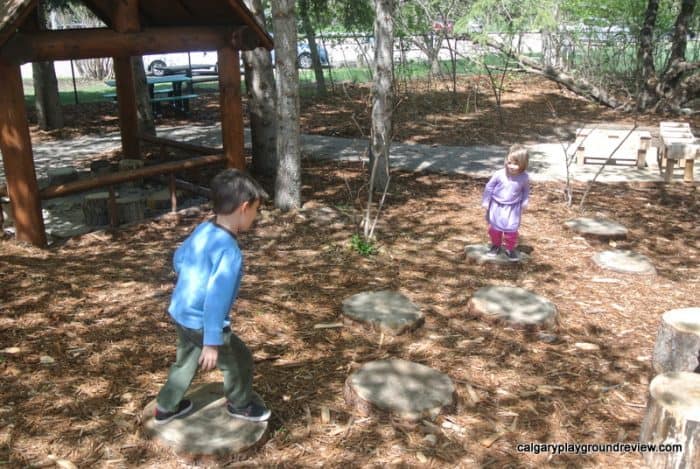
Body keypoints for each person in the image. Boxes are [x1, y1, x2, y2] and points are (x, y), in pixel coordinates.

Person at [154, 168, 270, 424]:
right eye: (256, 210)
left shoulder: (205, 229)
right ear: (244, 207)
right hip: (202, 320)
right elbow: (215, 301)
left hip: (181, 311)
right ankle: (240, 404)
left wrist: (189, 279)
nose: (255, 217)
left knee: (185, 361)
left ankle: (165, 407)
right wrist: (212, 341)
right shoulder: (230, 252)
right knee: (239, 360)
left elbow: (179, 259)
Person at [481, 144, 530, 262]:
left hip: (513, 208)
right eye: (509, 162)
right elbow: (489, 187)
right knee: (495, 229)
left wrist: (525, 201)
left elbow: (525, 190)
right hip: (497, 206)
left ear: (523, 164)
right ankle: (496, 245)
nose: (512, 166)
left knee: (511, 230)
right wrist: (486, 201)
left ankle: (510, 248)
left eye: (516, 164)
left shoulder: (524, 177)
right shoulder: (499, 174)